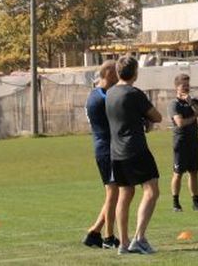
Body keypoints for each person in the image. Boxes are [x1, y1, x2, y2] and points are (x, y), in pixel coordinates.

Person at [106, 55, 163, 255]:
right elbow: (157, 116)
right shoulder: (134, 93)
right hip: (135, 149)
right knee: (151, 190)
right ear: (135, 73)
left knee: (125, 194)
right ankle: (139, 238)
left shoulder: (110, 93)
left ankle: (123, 242)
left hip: (116, 152)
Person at [82, 60, 120, 250]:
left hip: (107, 148)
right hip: (106, 149)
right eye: (117, 73)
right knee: (113, 192)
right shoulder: (100, 98)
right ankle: (108, 236)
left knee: (114, 193)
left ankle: (95, 233)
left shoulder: (99, 94)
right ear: (109, 74)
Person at [169, 73, 198, 212]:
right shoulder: (174, 104)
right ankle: (175, 203)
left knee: (194, 172)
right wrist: (193, 117)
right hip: (180, 142)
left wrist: (191, 103)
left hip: (193, 141)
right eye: (183, 86)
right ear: (177, 88)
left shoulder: (193, 101)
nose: (186, 88)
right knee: (178, 173)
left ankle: (196, 202)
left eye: (188, 85)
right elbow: (180, 123)